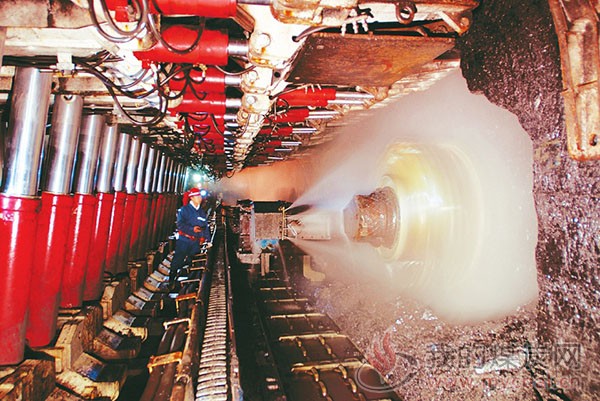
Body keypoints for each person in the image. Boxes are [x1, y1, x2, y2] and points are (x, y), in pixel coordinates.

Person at [169, 189, 211, 289]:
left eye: (200, 196)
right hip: (184, 240)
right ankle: (171, 281)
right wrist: (192, 229)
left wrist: (208, 240)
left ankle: (188, 283)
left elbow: (205, 227)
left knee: (193, 260)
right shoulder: (184, 210)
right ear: (191, 198)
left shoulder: (201, 212)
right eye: (197, 196)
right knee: (178, 259)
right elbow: (180, 225)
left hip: (195, 241)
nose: (200, 198)